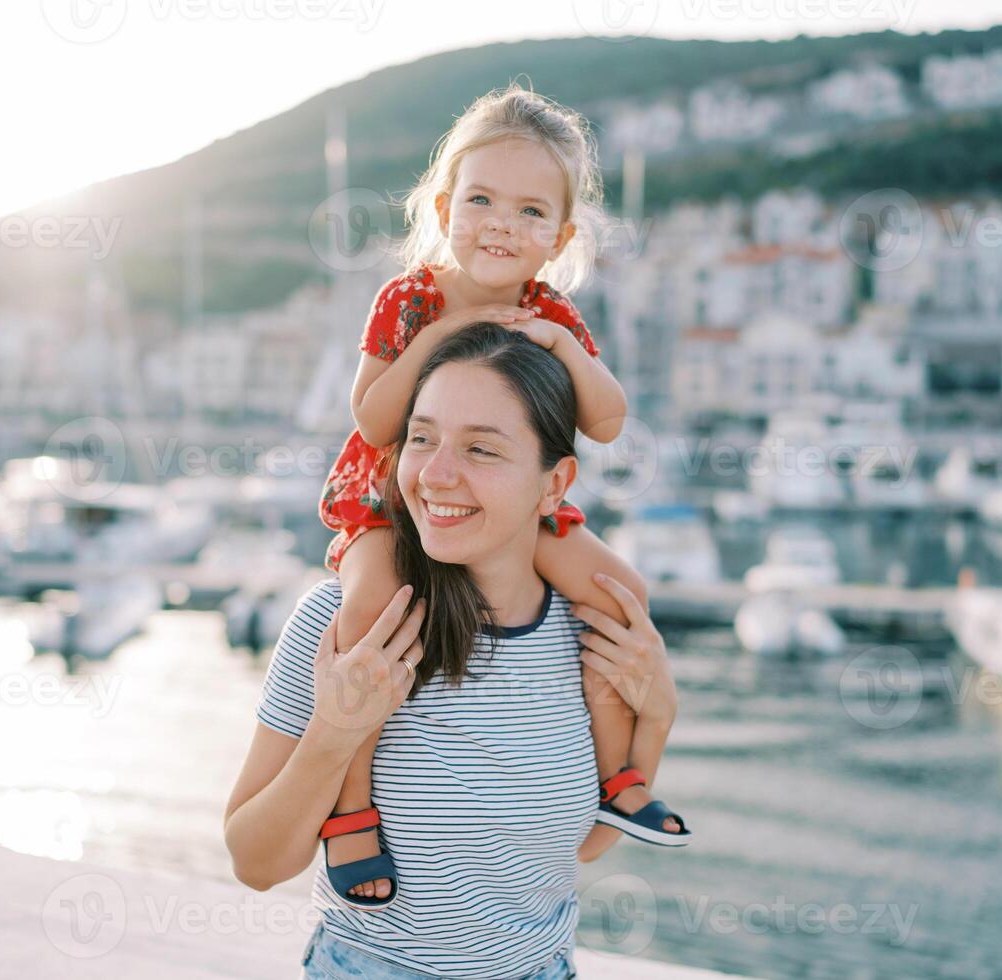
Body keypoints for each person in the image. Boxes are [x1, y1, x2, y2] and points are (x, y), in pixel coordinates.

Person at [315, 84, 689, 906]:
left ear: (558, 238)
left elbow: (610, 420)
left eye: (528, 212)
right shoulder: (409, 299)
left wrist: (563, 344)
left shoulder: (550, 311)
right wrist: (444, 338)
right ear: (445, 206)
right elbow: (376, 419)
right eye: (480, 199)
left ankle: (619, 775)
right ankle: (350, 809)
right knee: (368, 607)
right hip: (392, 490)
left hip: (510, 497)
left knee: (620, 591)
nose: (499, 223)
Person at [225, 324, 684, 979]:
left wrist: (658, 719)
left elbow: (587, 843)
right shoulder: (348, 627)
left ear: (554, 487)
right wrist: (334, 732)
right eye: (422, 438)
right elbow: (256, 864)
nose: (436, 475)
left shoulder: (589, 634)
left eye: (481, 450)